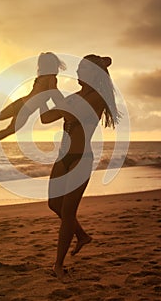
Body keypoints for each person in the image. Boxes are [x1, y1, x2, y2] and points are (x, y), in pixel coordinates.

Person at [40, 54, 121, 280]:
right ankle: (82, 236)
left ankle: (58, 265)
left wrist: (53, 91)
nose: (76, 72)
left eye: (81, 69)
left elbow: (70, 112)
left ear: (92, 74)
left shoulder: (97, 98)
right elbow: (46, 118)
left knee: (67, 213)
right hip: (62, 157)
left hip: (80, 158)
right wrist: (44, 93)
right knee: (54, 204)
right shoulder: (75, 96)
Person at [0, 52, 66, 151]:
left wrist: (55, 104)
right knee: (2, 118)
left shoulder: (41, 78)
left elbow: (43, 97)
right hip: (25, 107)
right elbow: (54, 93)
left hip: (23, 105)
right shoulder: (51, 78)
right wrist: (64, 104)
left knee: (8, 126)